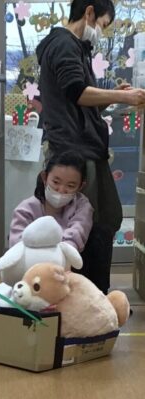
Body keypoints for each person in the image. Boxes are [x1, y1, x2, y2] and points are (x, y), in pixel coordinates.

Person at [36, 0, 145, 293]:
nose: (101, 31)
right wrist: (123, 97)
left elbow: (78, 103)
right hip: (75, 152)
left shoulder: (73, 48)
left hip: (78, 147)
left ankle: (91, 294)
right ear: (89, 13)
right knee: (92, 224)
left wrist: (112, 96)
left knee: (101, 219)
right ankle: (90, 295)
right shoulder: (65, 45)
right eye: (103, 24)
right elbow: (77, 92)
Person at [10, 151, 93, 252]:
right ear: (45, 177)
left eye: (70, 186)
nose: (61, 190)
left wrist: (60, 254)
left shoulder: (81, 205)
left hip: (65, 257)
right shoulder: (26, 209)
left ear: (80, 187)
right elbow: (17, 245)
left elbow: (76, 235)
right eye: (56, 182)